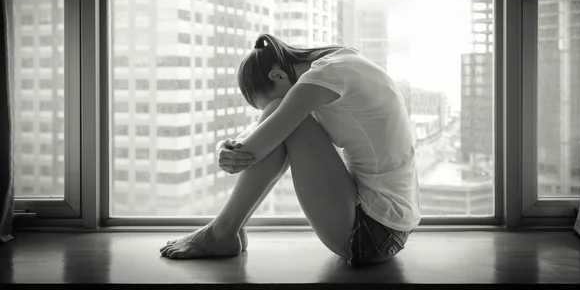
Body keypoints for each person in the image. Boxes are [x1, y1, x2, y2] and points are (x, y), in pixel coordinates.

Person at [159, 34, 420, 265]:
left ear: (278, 76)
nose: (282, 106)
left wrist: (226, 151)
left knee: (284, 120)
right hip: (385, 228)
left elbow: (256, 145)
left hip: (370, 234)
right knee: (282, 122)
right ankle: (227, 229)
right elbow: (267, 130)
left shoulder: (323, 76)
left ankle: (222, 231)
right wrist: (228, 146)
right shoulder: (341, 64)